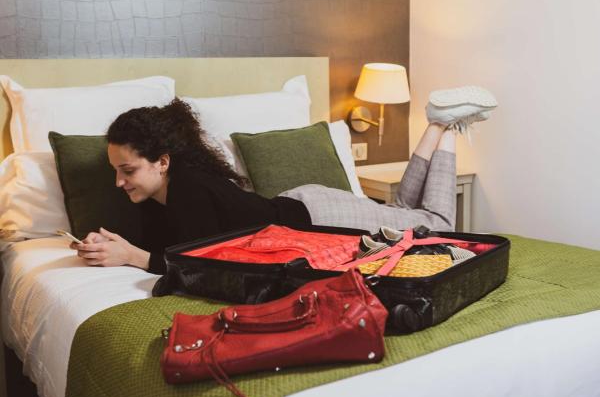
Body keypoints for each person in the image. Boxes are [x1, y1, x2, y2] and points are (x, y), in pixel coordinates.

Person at [72, 88, 496, 275]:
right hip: (303, 209)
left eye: (127, 171)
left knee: (436, 222)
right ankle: (437, 126)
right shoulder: (159, 195)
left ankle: (443, 124)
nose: (119, 182)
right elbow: (169, 246)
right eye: (116, 171)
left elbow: (198, 262)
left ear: (162, 161)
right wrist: (109, 244)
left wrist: (133, 257)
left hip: (318, 217)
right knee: (404, 215)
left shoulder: (188, 187)